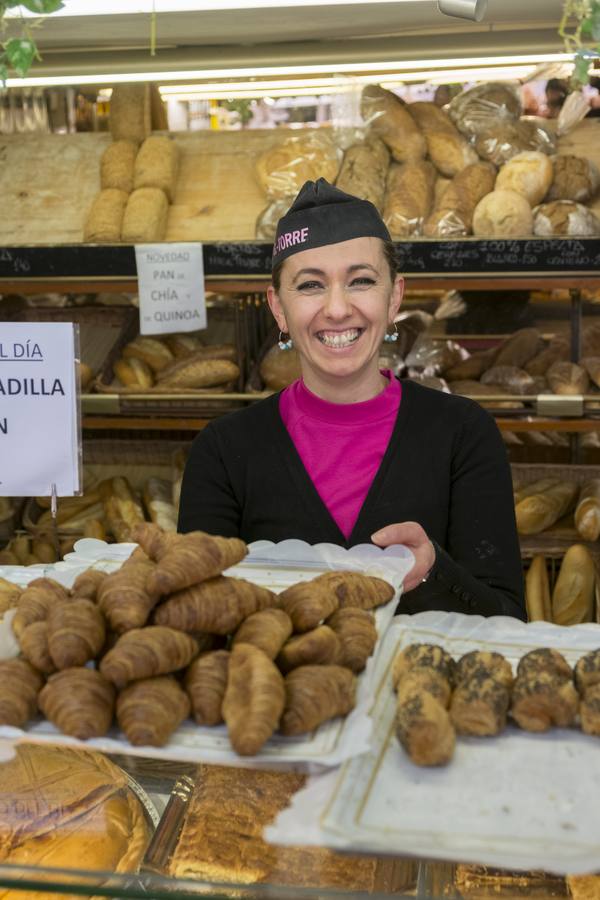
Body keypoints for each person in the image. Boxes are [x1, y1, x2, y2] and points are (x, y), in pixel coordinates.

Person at [178, 179, 525, 620]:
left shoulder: (463, 433)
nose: (338, 309)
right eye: (309, 286)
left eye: (361, 280)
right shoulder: (224, 451)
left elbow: (508, 618)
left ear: (394, 297)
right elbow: (195, 616)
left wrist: (436, 574)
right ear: (279, 308)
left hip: (419, 687)